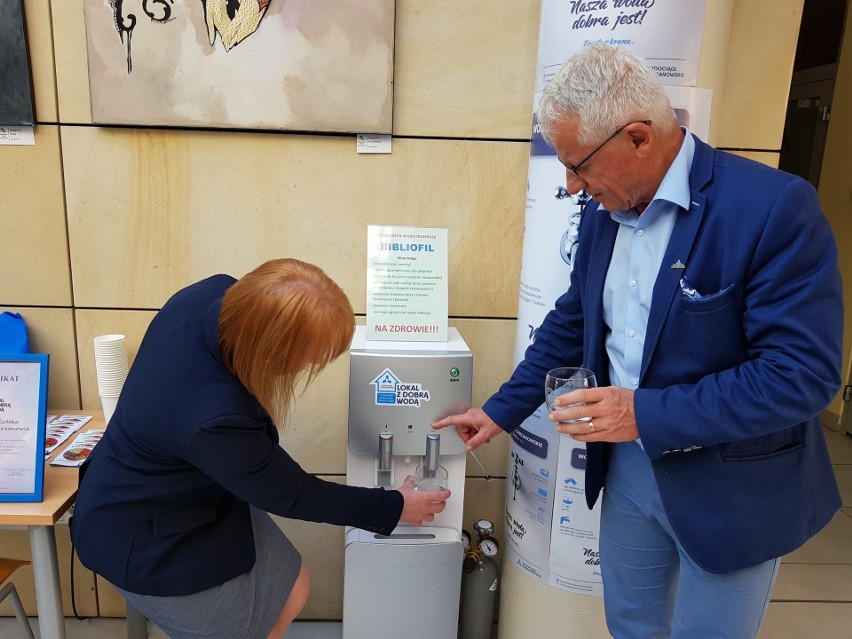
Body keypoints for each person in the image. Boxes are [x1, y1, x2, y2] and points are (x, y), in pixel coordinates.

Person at [434, 44, 844, 638]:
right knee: (631, 626)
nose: (572, 186)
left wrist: (642, 412)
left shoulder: (772, 208)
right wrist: (501, 410)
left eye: (579, 166)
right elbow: (574, 320)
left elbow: (801, 375)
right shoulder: (607, 208)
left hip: (731, 486)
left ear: (639, 138)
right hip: (628, 472)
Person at [71, 258, 450, 639]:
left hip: (191, 496)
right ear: (271, 349)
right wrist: (396, 506)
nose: (314, 363)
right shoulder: (214, 418)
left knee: (295, 584)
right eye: (311, 356)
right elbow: (296, 495)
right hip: (144, 538)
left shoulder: (211, 295)